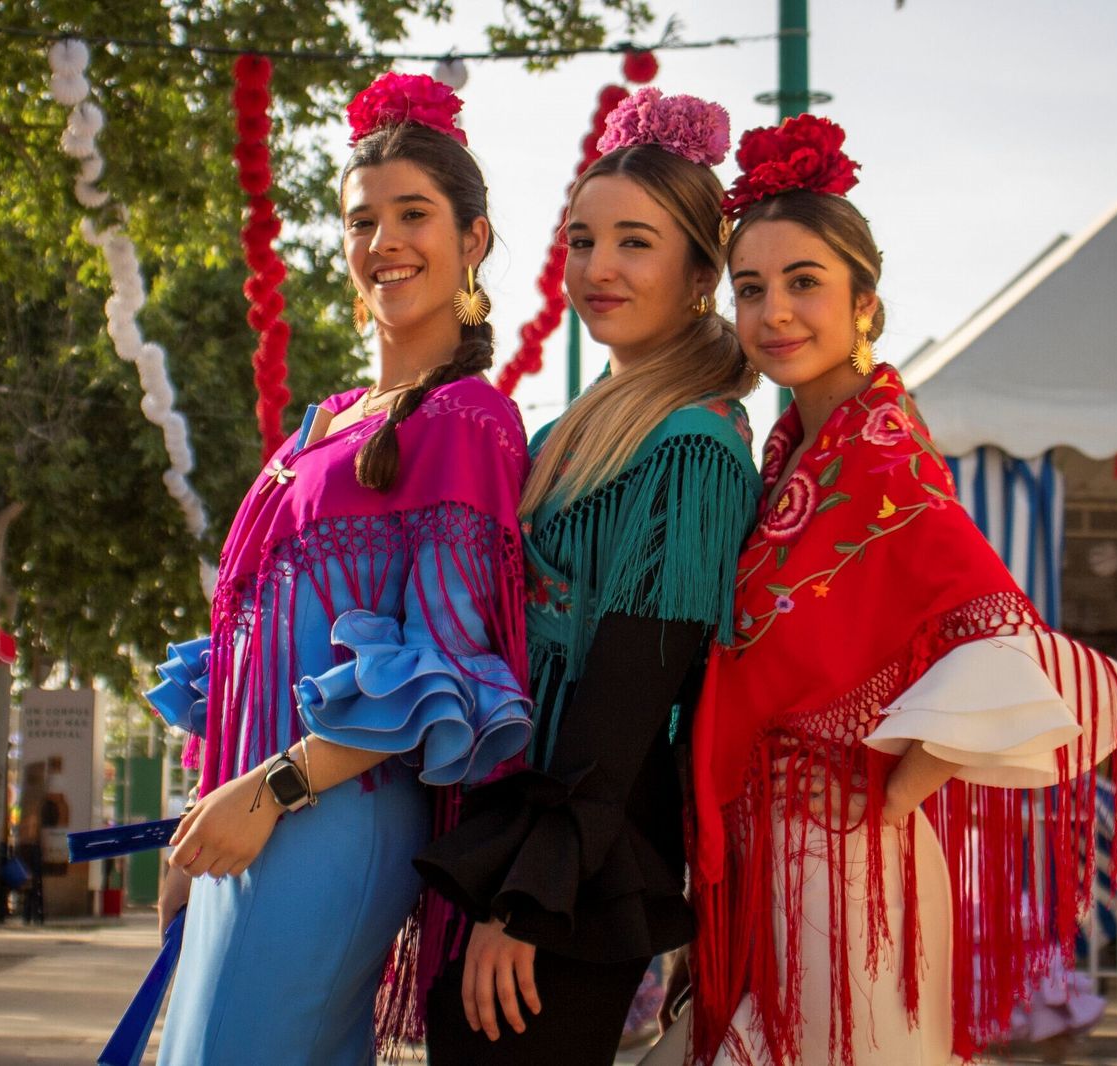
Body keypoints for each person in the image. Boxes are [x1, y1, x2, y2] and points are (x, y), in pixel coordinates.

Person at [685, 115, 1117, 1066]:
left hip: (839, 866)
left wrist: (883, 807)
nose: (774, 310)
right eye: (751, 289)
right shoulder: (790, 456)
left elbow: (995, 646)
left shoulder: (886, 455)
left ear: (866, 305)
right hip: (771, 863)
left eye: (804, 282)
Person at [152, 73, 533, 1065]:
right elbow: (252, 635)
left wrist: (267, 790)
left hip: (329, 815)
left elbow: (446, 663)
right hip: (250, 809)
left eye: (415, 214)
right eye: (363, 220)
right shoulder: (328, 417)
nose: (384, 242)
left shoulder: (468, 423)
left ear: (473, 239)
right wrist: (211, 802)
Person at [415, 87, 761, 1065]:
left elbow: (628, 687)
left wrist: (527, 900)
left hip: (579, 856)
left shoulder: (693, 445)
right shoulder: (572, 429)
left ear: (702, 271)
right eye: (580, 240)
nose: (596, 267)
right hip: (519, 824)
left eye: (634, 242)